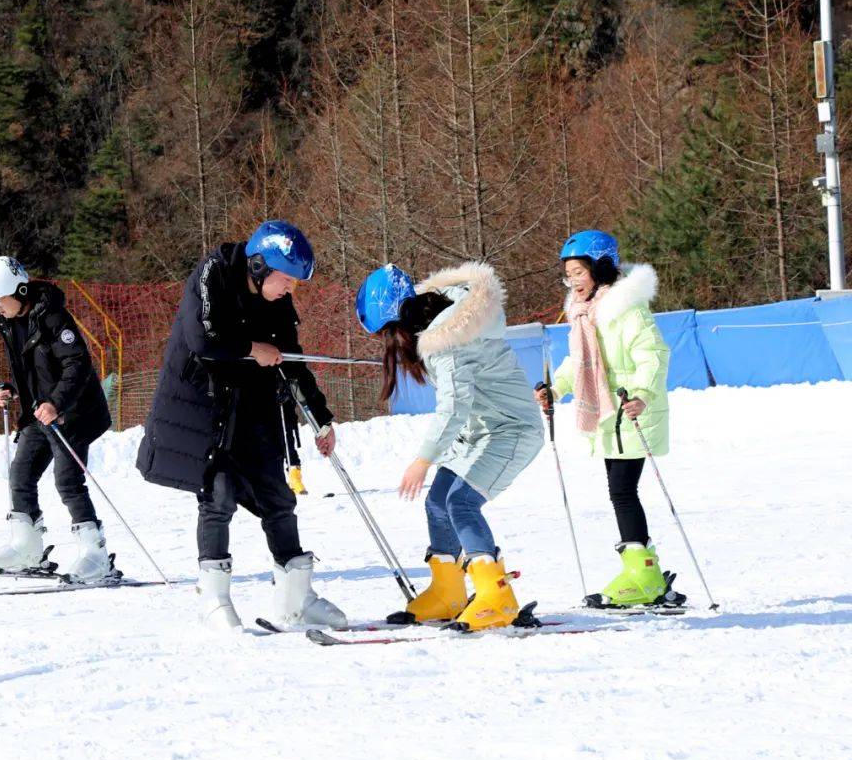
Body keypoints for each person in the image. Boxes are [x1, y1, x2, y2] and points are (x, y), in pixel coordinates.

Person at [136, 220, 346, 631]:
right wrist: (253, 348)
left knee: (278, 498)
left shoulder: (279, 301)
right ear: (258, 267)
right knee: (218, 496)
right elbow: (203, 337)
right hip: (203, 407)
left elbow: (292, 359)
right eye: (286, 280)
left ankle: (295, 599)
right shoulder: (212, 274)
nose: (290, 290)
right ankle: (213, 599)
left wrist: (321, 418)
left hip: (253, 406)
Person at [356, 262, 544, 631]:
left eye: (387, 334)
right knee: (437, 501)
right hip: (480, 431)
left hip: (512, 430)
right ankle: (448, 592)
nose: (389, 344)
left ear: (401, 322)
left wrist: (423, 460)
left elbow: (454, 407)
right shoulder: (443, 327)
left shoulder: (448, 342)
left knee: (461, 503)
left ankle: (496, 597)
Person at [534, 230, 683, 608]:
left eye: (580, 272)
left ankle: (644, 576)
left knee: (621, 490)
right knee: (620, 491)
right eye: (568, 274)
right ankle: (645, 571)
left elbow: (654, 355)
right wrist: (556, 389)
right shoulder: (583, 315)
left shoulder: (626, 309)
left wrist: (643, 395)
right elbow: (576, 363)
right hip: (607, 414)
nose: (573, 281)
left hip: (629, 412)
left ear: (600, 270)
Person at [0, 255, 116, 583]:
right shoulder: (8, 320)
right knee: (20, 474)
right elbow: (28, 367)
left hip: (74, 412)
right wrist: (9, 388)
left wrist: (56, 402)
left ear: (19, 291)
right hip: (40, 412)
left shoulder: (53, 317)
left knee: (67, 481)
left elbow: (77, 364)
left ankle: (95, 555)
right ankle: (27, 547)